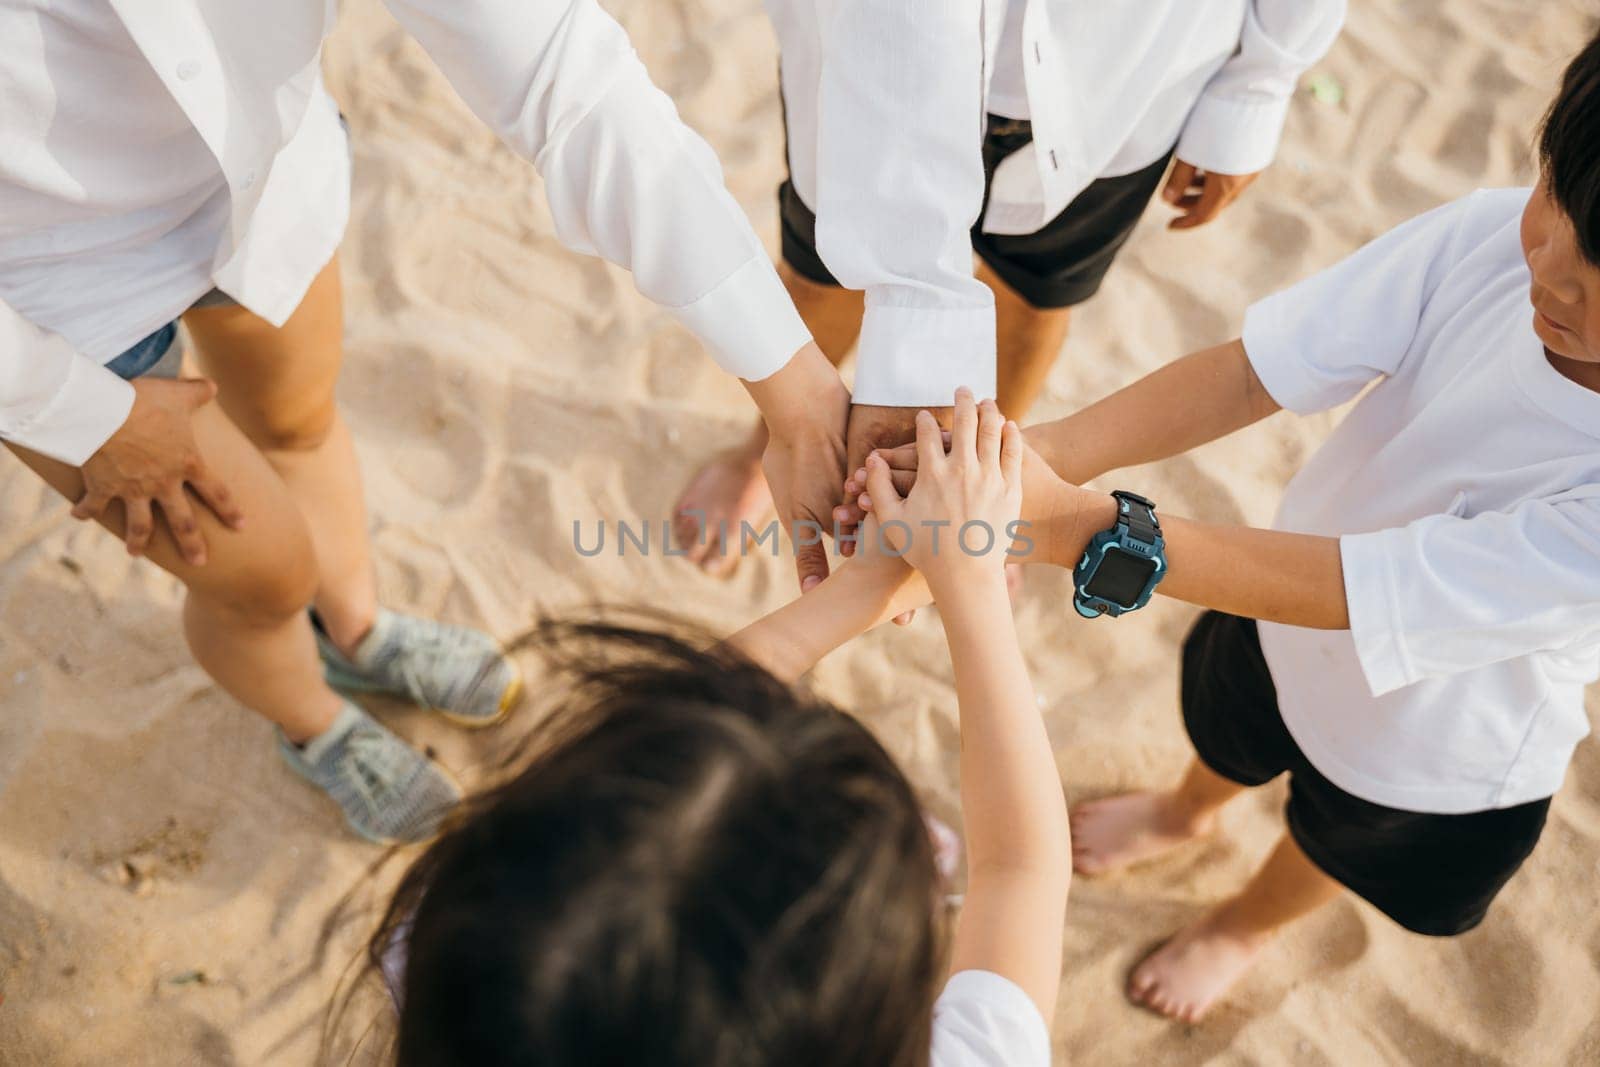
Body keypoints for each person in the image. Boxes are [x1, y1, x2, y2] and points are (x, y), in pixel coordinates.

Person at [856, 29, 1600, 1023]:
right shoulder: (1490, 238)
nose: (1549, 271)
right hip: (1261, 599)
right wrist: (1036, 462)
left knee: (1330, 840)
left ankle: (1241, 924)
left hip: (1437, 740)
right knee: (1228, 724)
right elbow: (1255, 371)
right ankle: (1188, 808)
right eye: (1554, 195)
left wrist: (1058, 523)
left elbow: (1357, 592)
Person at [0, 0, 851, 843]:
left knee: (301, 423)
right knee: (258, 578)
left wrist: (799, 397)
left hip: (257, 185)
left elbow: (562, 68)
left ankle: (356, 631)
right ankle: (314, 721)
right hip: (52, 305)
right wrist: (82, 416)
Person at [363, 393, 1072, 1066]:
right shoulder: (477, 940)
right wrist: (971, 585)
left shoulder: (482, 958)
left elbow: (643, 742)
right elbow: (1020, 869)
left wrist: (857, 588)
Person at [675, 0, 1346, 576]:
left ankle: (997, 479)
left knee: (1033, 301)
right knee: (824, 280)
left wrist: (1259, 82)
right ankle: (773, 440)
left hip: (1126, 80)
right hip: (863, 61)